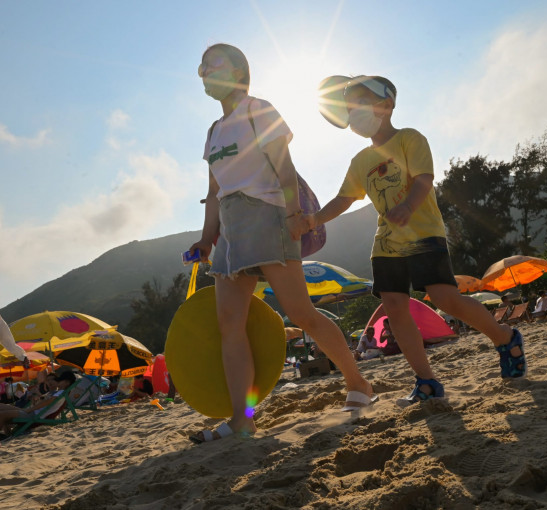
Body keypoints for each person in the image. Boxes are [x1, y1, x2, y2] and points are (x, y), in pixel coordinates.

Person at [187, 44, 374, 442]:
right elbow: (215, 191)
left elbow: (285, 170)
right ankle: (243, 418)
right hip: (231, 230)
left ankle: (359, 382)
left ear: (239, 71)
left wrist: (293, 216)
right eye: (201, 67)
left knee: (301, 314)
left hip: (268, 216)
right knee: (229, 325)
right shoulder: (213, 133)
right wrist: (206, 240)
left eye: (213, 64)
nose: (203, 71)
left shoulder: (259, 110)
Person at [309, 75, 527, 407]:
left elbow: (424, 179)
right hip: (385, 243)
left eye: (361, 103)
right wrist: (313, 220)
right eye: (349, 107)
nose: (354, 113)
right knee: (395, 308)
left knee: (445, 299)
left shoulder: (410, 138)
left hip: (423, 232)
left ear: (386, 105)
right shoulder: (360, 161)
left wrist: (408, 206)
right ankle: (426, 381)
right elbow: (343, 200)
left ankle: (506, 338)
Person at [0, 370, 76, 437]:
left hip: (33, 415)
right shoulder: (58, 392)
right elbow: (44, 401)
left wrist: (30, 409)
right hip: (30, 412)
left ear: (66, 382)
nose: (58, 382)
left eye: (60, 380)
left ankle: (5, 435)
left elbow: (48, 402)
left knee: (2, 414)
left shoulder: (61, 393)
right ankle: (8, 435)